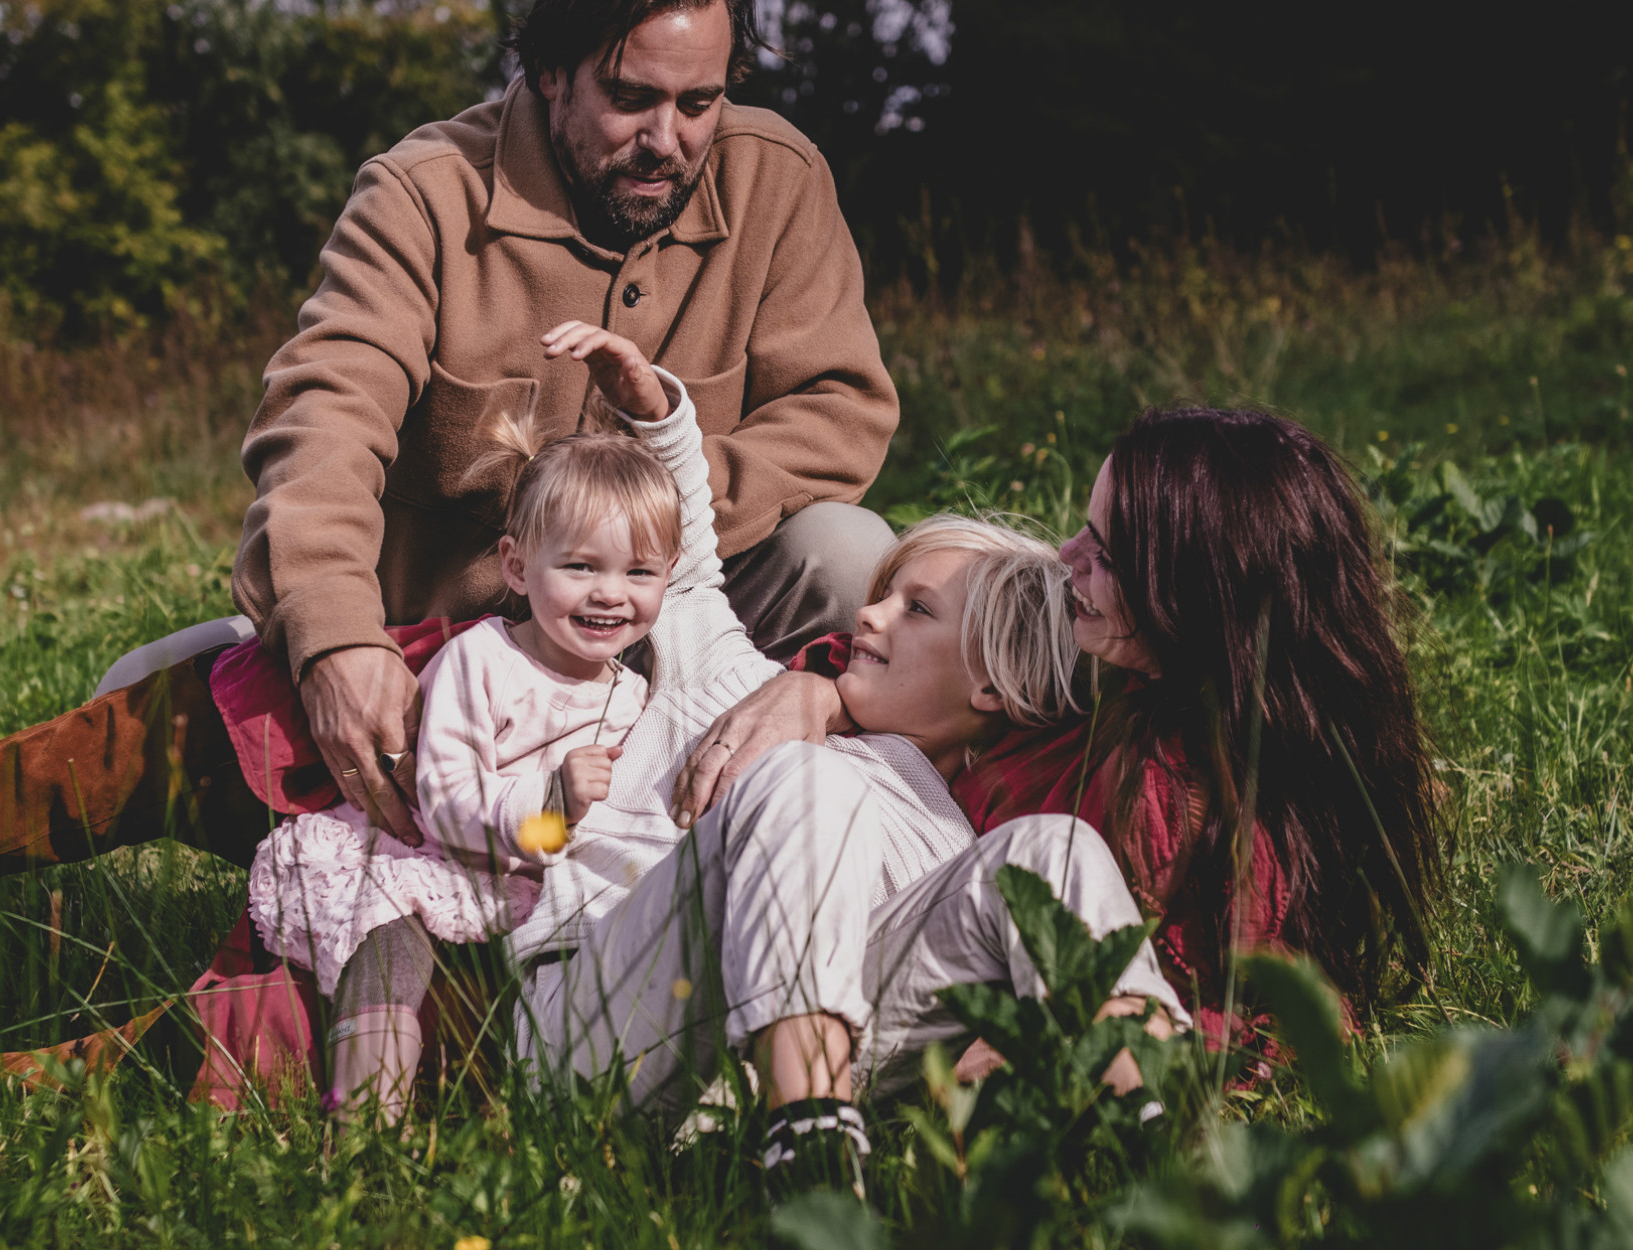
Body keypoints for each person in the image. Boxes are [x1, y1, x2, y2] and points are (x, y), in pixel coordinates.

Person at [0, 0, 899, 939]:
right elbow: (321, 421)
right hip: (431, 659)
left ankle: (712, 871)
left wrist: (627, 532)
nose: (672, 137)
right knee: (139, 695)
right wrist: (334, 638)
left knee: (849, 553)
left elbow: (843, 410)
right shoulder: (423, 192)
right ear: (547, 71)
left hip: (679, 639)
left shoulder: (778, 181)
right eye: (633, 97)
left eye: (703, 100)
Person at [500, 378, 1191, 1196]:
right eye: (881, 598)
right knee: (803, 776)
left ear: (992, 689)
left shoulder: (947, 841)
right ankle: (812, 1147)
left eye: (917, 611)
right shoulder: (737, 682)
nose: (868, 618)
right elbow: (683, 572)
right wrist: (659, 416)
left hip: (749, 1074)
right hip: (595, 1024)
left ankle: (1151, 1120)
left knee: (1056, 851)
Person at [666, 408, 1443, 1065]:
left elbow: (1267, 1016)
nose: (1067, 558)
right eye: (1085, 527)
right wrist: (824, 685)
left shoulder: (1192, 805)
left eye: (1104, 554)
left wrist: (1054, 1048)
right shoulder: (1103, 677)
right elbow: (944, 666)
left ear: (1193, 598)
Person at [249, 322, 681, 1125]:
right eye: (580, 566)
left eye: (640, 573)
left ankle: (557, 1093)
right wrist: (547, 802)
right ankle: (364, 1119)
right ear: (518, 566)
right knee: (390, 936)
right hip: (446, 864)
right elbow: (443, 800)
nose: (610, 595)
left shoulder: (637, 691)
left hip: (547, 904)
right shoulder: (482, 662)